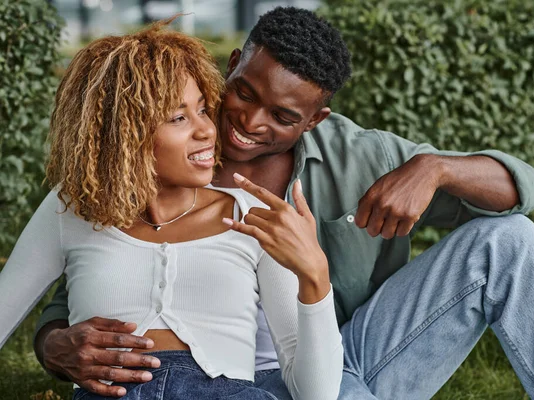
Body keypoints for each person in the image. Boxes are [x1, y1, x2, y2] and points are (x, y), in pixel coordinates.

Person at [34, 7, 534, 400]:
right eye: (245, 94)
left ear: (315, 119)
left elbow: (521, 187)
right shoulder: (167, 135)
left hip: (339, 356)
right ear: (232, 65)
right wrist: (55, 343)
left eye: (283, 117)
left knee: (511, 242)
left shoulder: (363, 156)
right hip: (205, 376)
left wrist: (436, 168)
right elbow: (94, 268)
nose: (247, 125)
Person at [0, 18, 343, 400]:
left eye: (202, 109)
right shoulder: (73, 208)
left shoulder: (254, 217)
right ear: (126, 132)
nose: (207, 130)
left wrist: (315, 275)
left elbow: (318, 394)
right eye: (179, 118)